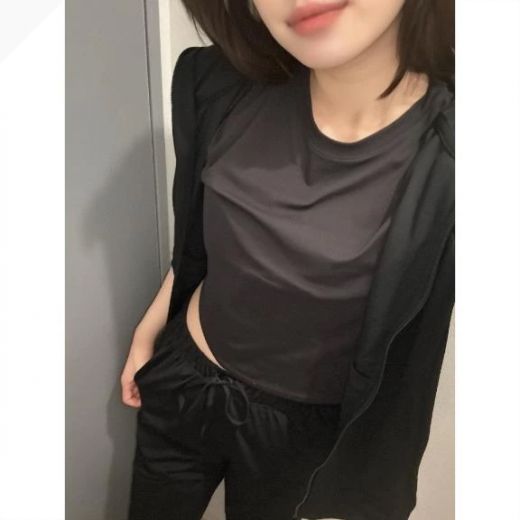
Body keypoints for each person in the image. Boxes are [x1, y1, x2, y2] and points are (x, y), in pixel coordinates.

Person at [120, 0, 455, 519]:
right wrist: (150, 329)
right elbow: (205, 246)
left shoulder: (457, 154)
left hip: (299, 435)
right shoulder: (219, 86)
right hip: (183, 378)